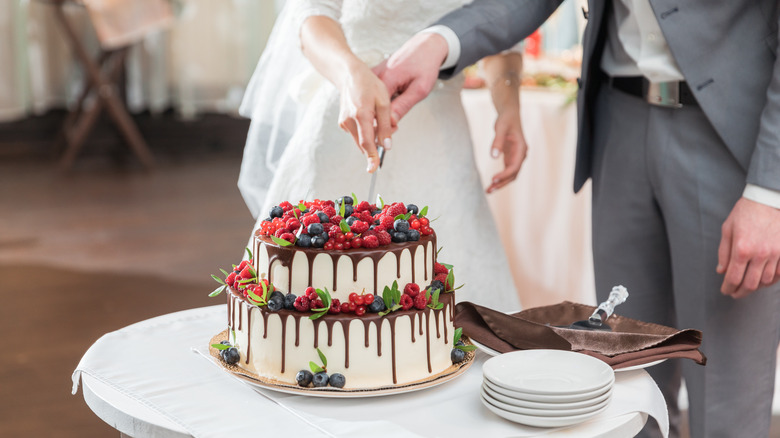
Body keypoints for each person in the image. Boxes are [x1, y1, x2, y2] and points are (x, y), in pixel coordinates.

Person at [348, 1, 780, 437]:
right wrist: (438, 42)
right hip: (617, 123)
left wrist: (771, 192)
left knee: (726, 396)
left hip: (732, 137)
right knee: (630, 391)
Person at [236, 0, 528, 311]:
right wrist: (350, 73)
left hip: (440, 135)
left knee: (450, 294)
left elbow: (502, 24)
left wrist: (508, 106)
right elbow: (310, 14)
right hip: (347, 113)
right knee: (302, 285)